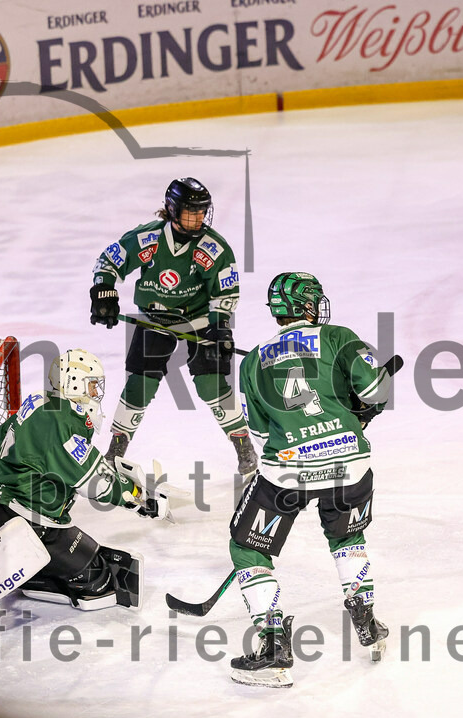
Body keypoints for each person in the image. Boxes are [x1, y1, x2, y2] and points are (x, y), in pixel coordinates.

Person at [226, 272, 401, 687]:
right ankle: (365, 619)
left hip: (287, 471)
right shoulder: (339, 338)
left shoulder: (253, 362)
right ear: (308, 305)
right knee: (347, 536)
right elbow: (376, 391)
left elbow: (261, 431)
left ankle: (272, 645)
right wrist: (359, 410)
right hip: (349, 463)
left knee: (246, 548)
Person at [0, 350, 165, 610]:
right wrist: (137, 497)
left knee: (97, 571)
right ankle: (24, 570)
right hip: (14, 520)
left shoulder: (45, 406)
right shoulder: (59, 417)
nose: (96, 393)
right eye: (92, 385)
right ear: (74, 383)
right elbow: (94, 482)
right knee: (99, 582)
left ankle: (27, 571)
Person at [90, 177, 257, 476]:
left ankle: (243, 444)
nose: (199, 218)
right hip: (155, 318)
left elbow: (226, 292)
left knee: (211, 385)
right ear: (172, 209)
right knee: (140, 385)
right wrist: (104, 292)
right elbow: (109, 262)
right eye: (191, 212)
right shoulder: (148, 238)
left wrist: (220, 326)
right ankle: (116, 448)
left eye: (202, 211)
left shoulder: (214, 248)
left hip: (199, 319)